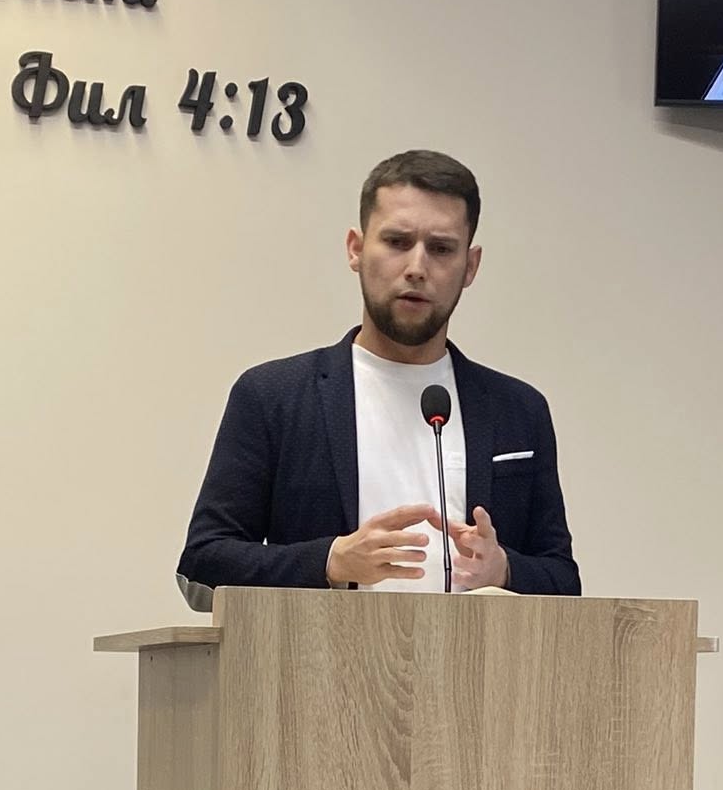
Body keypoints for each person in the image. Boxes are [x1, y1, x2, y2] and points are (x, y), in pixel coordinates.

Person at [176, 150, 580, 605]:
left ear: (470, 266)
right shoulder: (273, 397)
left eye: (441, 249)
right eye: (397, 241)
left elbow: (563, 580)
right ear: (355, 248)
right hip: (315, 651)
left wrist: (503, 569)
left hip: (480, 653)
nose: (417, 268)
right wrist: (330, 561)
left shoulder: (518, 410)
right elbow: (202, 567)